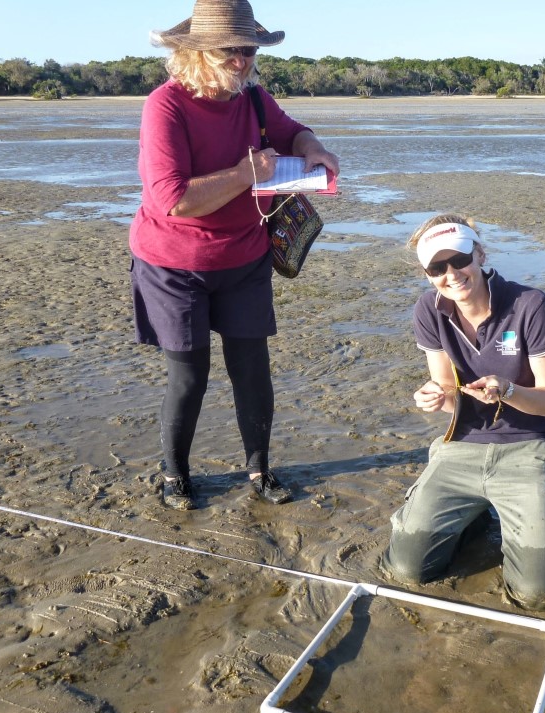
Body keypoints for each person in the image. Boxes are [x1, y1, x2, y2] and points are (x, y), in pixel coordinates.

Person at [129, 0, 340, 510]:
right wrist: (248, 174)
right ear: (196, 51)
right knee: (189, 376)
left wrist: (314, 148)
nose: (241, 61)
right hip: (173, 265)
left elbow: (293, 129)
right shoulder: (166, 105)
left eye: (247, 50)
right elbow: (173, 199)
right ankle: (176, 476)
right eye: (229, 51)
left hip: (245, 258)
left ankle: (260, 470)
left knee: (252, 369)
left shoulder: (254, 99)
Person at [382, 214, 545, 610]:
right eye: (437, 268)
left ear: (479, 254)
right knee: (406, 569)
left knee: (539, 591)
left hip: (527, 447)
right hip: (462, 445)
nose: (451, 274)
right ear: (427, 273)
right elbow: (450, 394)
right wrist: (436, 398)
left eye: (459, 260)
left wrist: (507, 390)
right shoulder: (429, 310)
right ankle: (470, 520)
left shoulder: (531, 306)